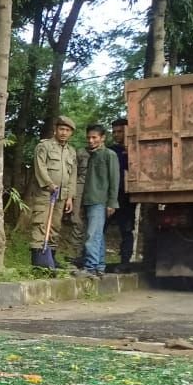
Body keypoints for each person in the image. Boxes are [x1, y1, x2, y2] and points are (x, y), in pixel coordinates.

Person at [28, 115, 78, 266]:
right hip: (45, 193)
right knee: (41, 224)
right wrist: (49, 184)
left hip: (61, 196)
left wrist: (70, 197)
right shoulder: (44, 146)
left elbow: (73, 175)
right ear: (55, 130)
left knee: (55, 226)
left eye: (67, 130)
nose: (64, 132)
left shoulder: (71, 151)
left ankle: (51, 258)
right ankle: (38, 261)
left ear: (71, 133)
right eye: (61, 129)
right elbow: (40, 167)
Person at [76, 123, 120, 278]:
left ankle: (90, 267)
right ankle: (99, 266)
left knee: (92, 235)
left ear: (102, 138)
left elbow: (114, 181)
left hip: (100, 201)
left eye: (94, 137)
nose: (90, 140)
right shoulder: (89, 154)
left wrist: (112, 203)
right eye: (88, 137)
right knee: (98, 235)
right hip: (88, 200)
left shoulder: (109, 155)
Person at [110, 117, 136, 268]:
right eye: (114, 132)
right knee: (101, 226)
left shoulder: (136, 150)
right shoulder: (111, 151)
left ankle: (125, 262)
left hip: (126, 196)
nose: (116, 134)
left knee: (126, 229)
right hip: (111, 195)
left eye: (120, 131)